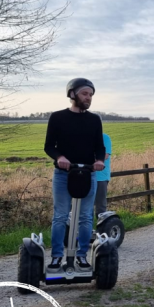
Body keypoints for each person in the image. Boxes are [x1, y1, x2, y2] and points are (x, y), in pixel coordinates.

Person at [44, 78, 106, 271]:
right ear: (72, 94)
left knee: (86, 217)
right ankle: (56, 257)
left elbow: (99, 147)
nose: (88, 98)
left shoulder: (94, 119)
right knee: (60, 215)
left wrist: (99, 161)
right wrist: (60, 157)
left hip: (88, 173)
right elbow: (48, 147)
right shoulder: (57, 117)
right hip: (63, 174)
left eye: (91, 95)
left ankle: (81, 256)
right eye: (85, 94)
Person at [94, 132, 112, 216]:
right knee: (86, 206)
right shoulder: (85, 136)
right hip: (86, 175)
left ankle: (102, 227)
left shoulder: (105, 137)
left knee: (100, 205)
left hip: (100, 176)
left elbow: (105, 155)